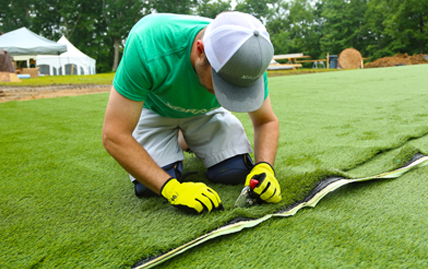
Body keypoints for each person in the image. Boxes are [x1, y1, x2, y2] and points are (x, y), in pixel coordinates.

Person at [102, 11, 281, 214]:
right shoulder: (147, 43)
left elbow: (266, 121)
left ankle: (186, 139)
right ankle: (179, 138)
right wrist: (172, 188)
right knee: (150, 187)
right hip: (154, 109)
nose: (230, 94)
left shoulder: (248, 57)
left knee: (234, 171)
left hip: (204, 113)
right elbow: (114, 135)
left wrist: (265, 166)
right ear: (200, 50)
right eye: (222, 84)